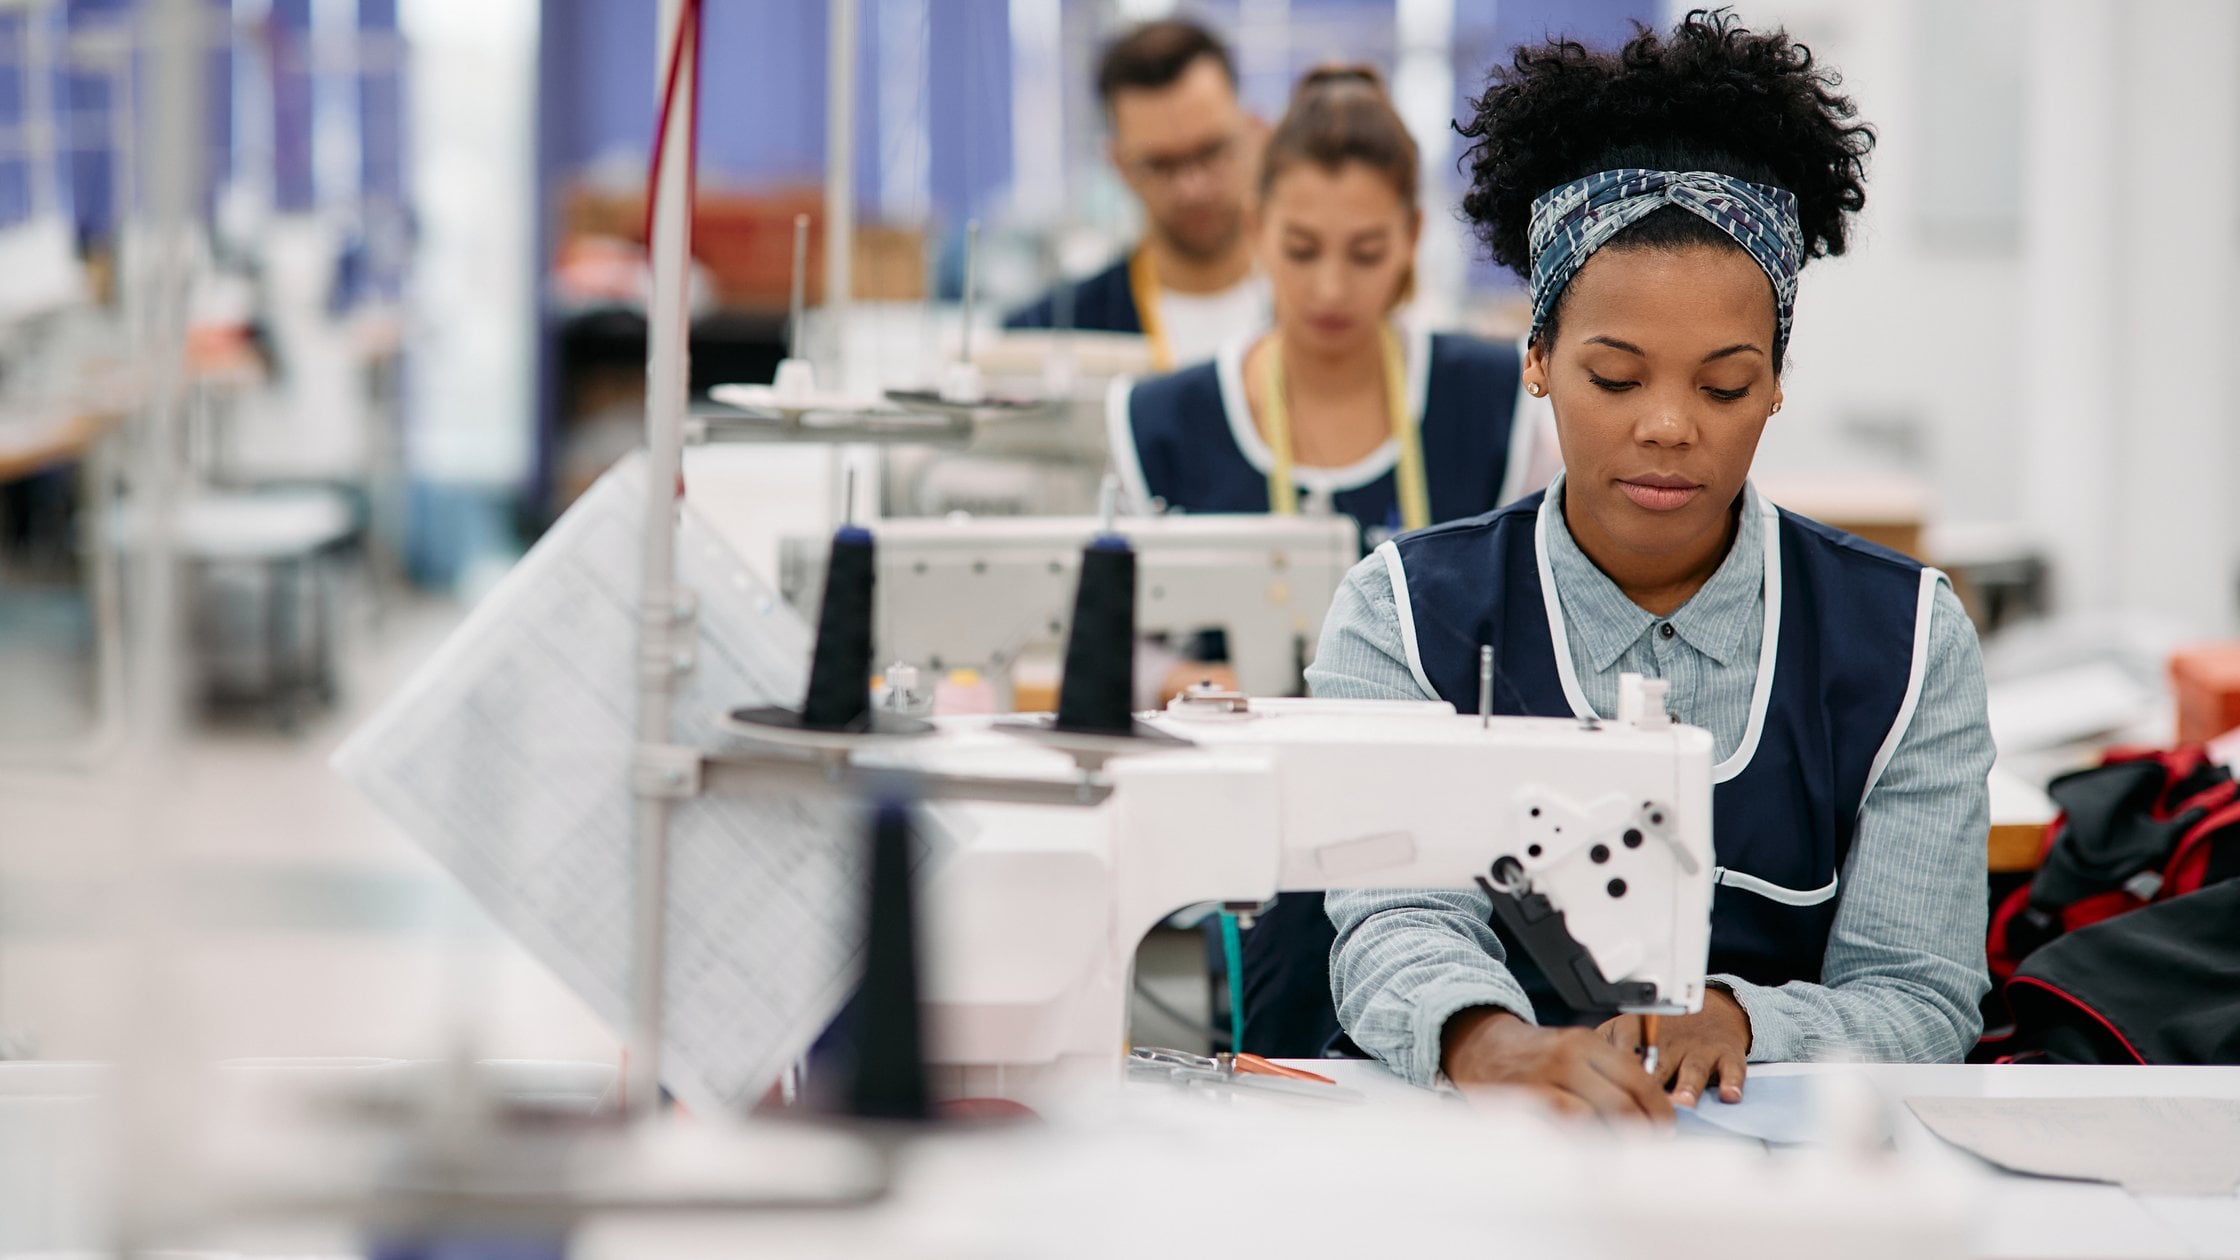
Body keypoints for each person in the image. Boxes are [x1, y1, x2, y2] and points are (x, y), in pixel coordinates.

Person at [1316, 10, 1994, 1122]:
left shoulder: (1908, 645)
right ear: (1535, 359)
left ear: (1777, 380)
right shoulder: (1400, 616)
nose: (1669, 427)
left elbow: (1918, 994)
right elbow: (1396, 921)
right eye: (1615, 378)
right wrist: (1489, 1045)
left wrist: (1743, 1019)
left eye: (1722, 386)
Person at [1109, 64, 1551, 1059]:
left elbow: (1554, 615)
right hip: (1243, 856)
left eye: (1364, 252)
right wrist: (1178, 680)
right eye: (1300, 249)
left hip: (1449, 852)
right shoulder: (1160, 424)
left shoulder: (1498, 405)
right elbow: (1106, 644)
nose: (1327, 288)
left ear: (1409, 240)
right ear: (1256, 226)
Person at [1004, 19, 1267, 372]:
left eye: (1211, 152)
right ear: (1120, 165)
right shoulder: (1046, 336)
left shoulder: (1322, 311)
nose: (1192, 188)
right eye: (1161, 165)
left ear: (1252, 131)